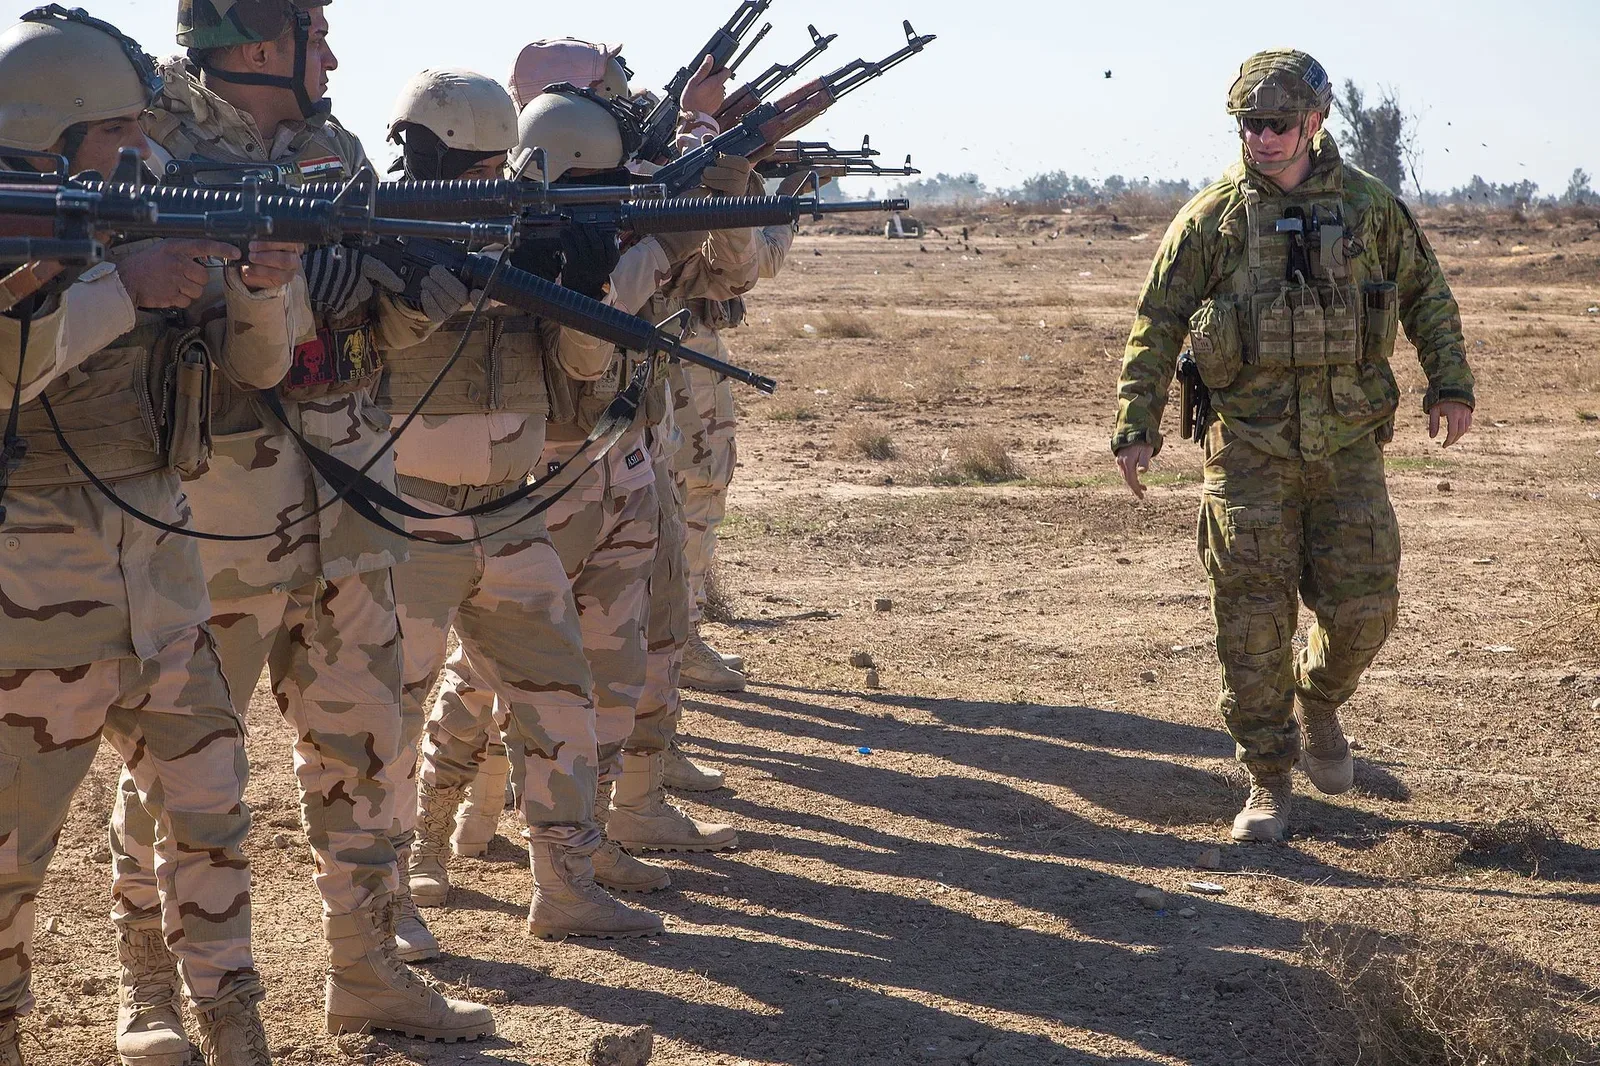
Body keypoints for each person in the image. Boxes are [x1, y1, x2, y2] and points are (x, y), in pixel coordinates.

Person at [108, 0, 493, 1045]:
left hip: (349, 513)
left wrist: (425, 290)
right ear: (266, 42)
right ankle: (148, 987)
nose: (334, 52)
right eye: (317, 31)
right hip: (212, 524)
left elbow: (363, 317)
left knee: (367, 755)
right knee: (176, 775)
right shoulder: (148, 147)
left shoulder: (335, 148)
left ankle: (366, 969)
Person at [0, 9, 305, 1061]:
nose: (144, 148)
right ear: (50, 134)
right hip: (30, 591)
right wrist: (119, 288)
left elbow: (261, 371)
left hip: (163, 562)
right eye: (117, 129)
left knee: (212, 812)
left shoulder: (148, 209)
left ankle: (233, 1027)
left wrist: (260, 290)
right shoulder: (25, 223)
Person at [1111, 49, 1475, 843]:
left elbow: (1426, 295)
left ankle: (1319, 695)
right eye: (1251, 124)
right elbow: (1157, 323)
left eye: (1279, 123)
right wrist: (1135, 426)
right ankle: (1269, 782)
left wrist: (1450, 382)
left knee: (1365, 613)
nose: (1264, 137)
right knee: (1249, 627)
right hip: (1246, 454)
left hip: (1348, 447)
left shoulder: (1370, 208)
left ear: (1315, 122)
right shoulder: (1210, 221)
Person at [379, 67, 663, 944]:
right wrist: (439, 280)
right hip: (406, 518)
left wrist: (581, 286)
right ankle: (392, 892)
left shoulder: (521, 234)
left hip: (512, 513)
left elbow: (583, 373)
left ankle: (566, 885)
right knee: (385, 717)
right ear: (427, 159)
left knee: (559, 705)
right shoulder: (377, 239)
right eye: (477, 168)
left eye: (503, 167)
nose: (495, 185)